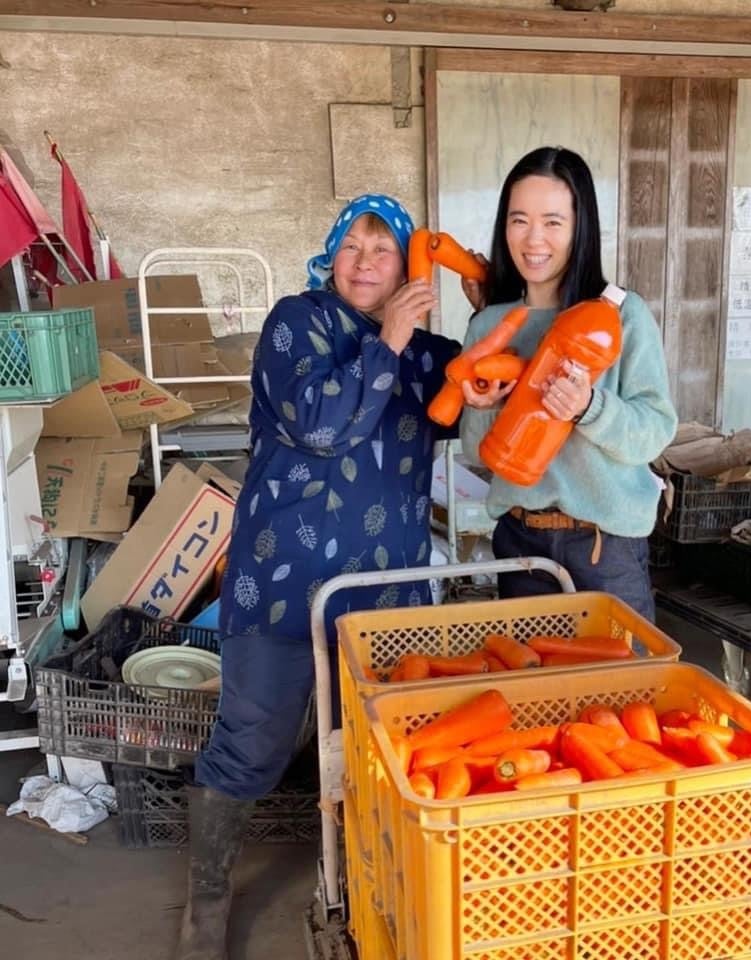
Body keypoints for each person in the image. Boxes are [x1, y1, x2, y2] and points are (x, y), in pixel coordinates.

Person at [177, 194, 459, 960]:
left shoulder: (428, 351)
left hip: (386, 590)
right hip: (282, 578)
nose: (365, 262)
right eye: (352, 246)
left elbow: (472, 406)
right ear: (331, 255)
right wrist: (389, 340)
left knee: (380, 747)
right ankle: (206, 905)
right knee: (254, 740)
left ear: (408, 266)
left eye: (383, 249)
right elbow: (322, 424)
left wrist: (487, 373)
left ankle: (367, 889)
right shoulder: (294, 323)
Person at [459, 146, 677, 621]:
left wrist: (589, 407)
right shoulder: (489, 326)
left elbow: (655, 430)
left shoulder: (622, 317)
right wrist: (482, 408)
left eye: (553, 222)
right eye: (519, 220)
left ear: (581, 227)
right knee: (527, 671)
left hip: (605, 548)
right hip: (521, 544)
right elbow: (477, 454)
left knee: (622, 671)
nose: (533, 238)